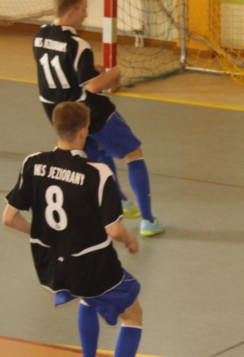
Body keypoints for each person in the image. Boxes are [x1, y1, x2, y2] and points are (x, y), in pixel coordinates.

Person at [3, 102, 144, 357]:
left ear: (56, 127)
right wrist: (130, 240)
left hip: (52, 267)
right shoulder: (97, 173)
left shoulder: (33, 163)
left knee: (88, 297)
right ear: (83, 131)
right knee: (133, 316)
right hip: (91, 265)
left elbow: (9, 218)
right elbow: (113, 230)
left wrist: (44, 234)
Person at [33, 0, 164, 236]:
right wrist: (114, 73)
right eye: (83, 10)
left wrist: (89, 70)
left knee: (98, 155)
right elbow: (93, 87)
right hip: (90, 112)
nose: (85, 15)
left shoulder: (39, 35)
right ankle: (148, 220)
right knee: (134, 154)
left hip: (60, 114)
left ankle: (120, 203)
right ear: (72, 11)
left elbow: (59, 71)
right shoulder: (78, 44)